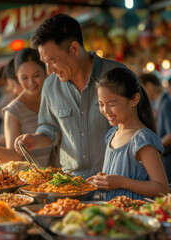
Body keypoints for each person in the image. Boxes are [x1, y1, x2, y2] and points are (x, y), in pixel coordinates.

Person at [14, 14, 126, 179]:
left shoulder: (118, 76)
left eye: (52, 60)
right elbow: (49, 128)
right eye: (45, 62)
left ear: (74, 48)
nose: (49, 70)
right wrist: (35, 139)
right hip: (71, 185)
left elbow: (141, 131)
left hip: (115, 183)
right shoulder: (50, 85)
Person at [87, 68, 168, 200]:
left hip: (135, 216)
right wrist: (101, 181)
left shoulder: (142, 139)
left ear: (134, 100)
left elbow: (162, 188)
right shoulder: (112, 134)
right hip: (112, 214)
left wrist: (121, 182)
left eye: (111, 104)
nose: (105, 110)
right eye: (101, 104)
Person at [140, 73, 171, 184]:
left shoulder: (166, 103)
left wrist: (153, 147)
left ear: (149, 86)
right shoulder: (157, 103)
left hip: (168, 158)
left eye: (142, 89)